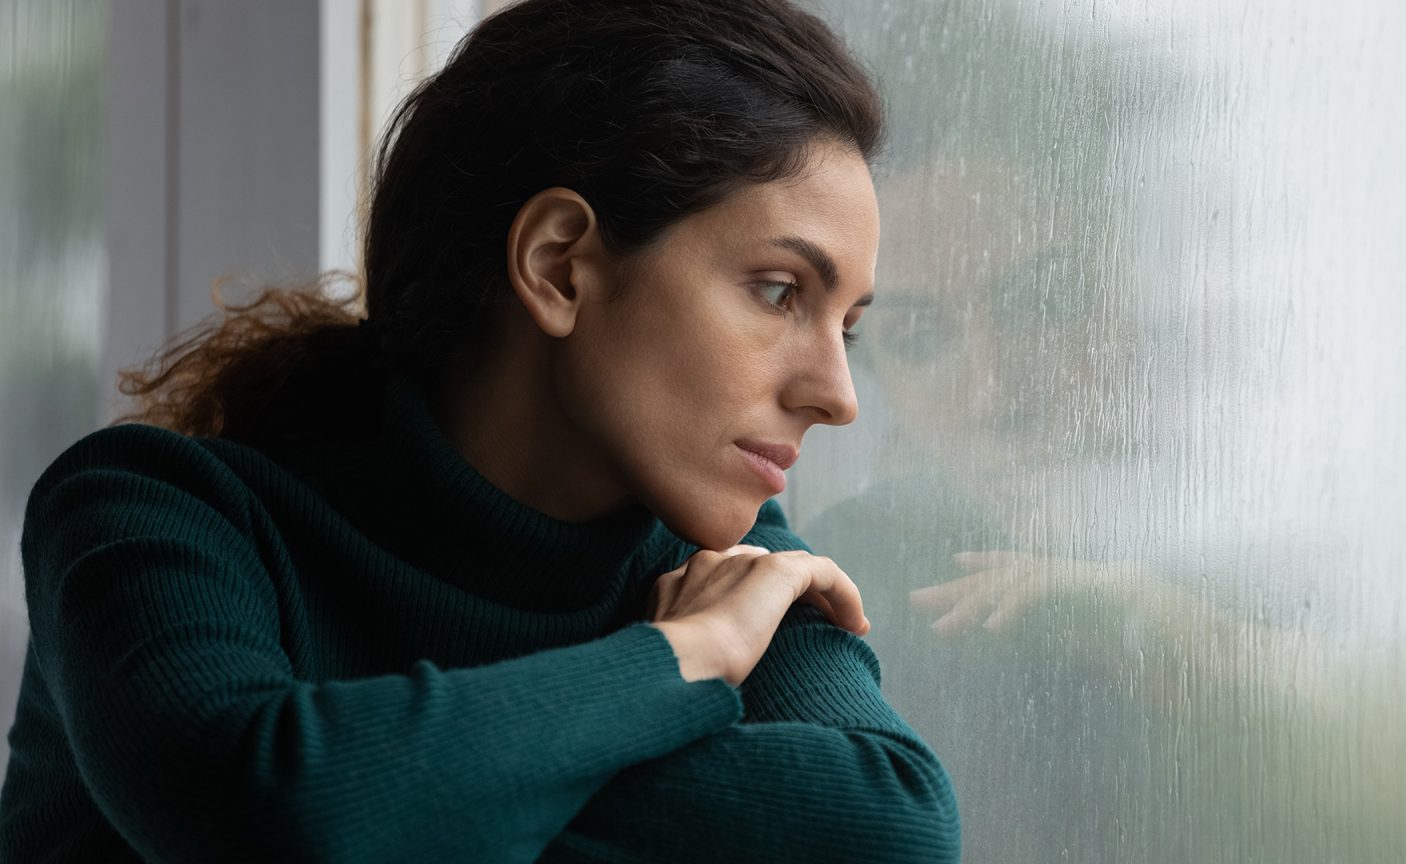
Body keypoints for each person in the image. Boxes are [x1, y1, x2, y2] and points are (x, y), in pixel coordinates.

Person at [0, 0, 961, 860]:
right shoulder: (147, 513)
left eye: (848, 326)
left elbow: (890, 827)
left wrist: (398, 794)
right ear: (559, 266)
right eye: (780, 292)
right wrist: (690, 655)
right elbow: (274, 812)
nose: (839, 396)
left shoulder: (736, 562)